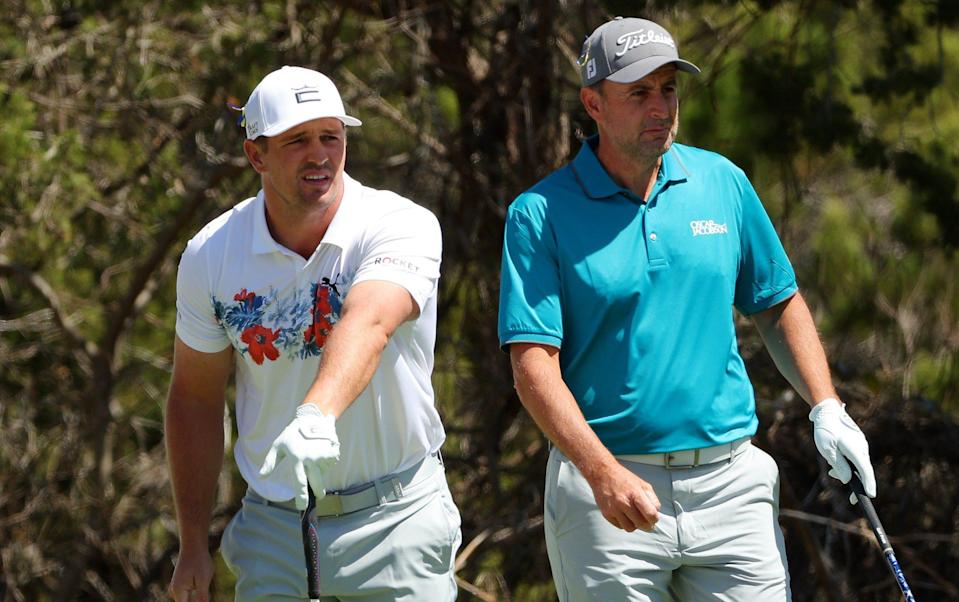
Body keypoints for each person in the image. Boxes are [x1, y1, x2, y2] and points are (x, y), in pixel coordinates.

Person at [498, 16, 876, 601]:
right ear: (593, 103)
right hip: (610, 491)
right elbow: (533, 364)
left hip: (732, 485)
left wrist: (826, 407)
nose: (661, 107)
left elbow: (777, 305)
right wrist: (601, 473)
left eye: (669, 89)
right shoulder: (541, 213)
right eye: (639, 93)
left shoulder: (721, 181)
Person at [165, 66, 461, 602]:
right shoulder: (211, 255)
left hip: (397, 518)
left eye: (332, 136)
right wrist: (192, 545)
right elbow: (194, 398)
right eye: (297, 140)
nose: (320, 154)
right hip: (275, 529)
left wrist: (315, 415)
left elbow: (369, 320)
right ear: (257, 155)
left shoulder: (400, 223)